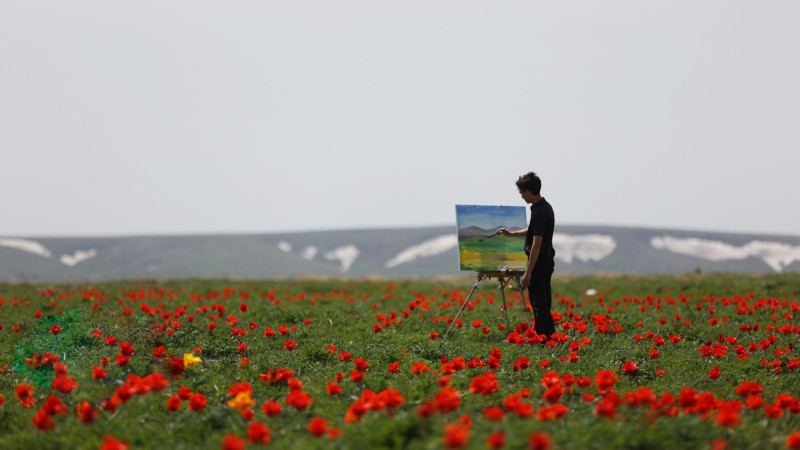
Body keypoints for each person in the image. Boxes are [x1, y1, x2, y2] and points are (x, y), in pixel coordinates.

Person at [497, 172, 556, 339]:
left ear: (529, 191)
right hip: (546, 262)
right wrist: (512, 234)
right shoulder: (544, 207)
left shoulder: (539, 212)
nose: (522, 196)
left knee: (539, 304)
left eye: (522, 193)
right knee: (544, 302)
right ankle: (548, 337)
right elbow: (533, 231)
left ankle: (544, 339)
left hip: (538, 264)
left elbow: (536, 243)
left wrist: (528, 271)